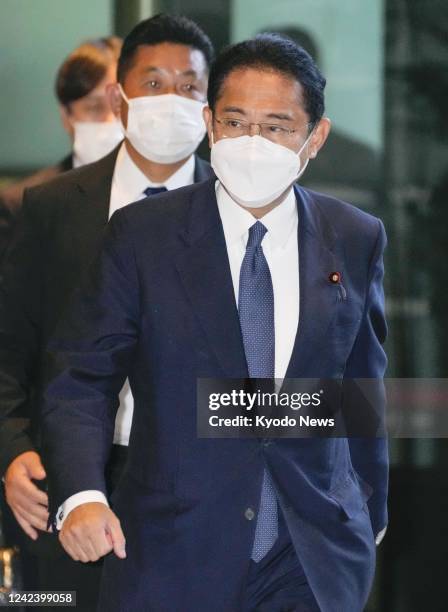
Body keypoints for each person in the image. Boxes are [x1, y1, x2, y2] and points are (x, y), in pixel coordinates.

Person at [41, 34, 388, 612]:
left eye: (277, 126)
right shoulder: (141, 235)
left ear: (315, 137)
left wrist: (368, 514)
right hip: (173, 550)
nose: (253, 143)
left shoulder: (354, 236)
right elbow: (80, 374)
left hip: (309, 557)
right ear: (210, 123)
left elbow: (359, 388)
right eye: (235, 121)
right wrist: (81, 494)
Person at [0, 14, 214, 610]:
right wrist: (12, 450)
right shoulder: (49, 207)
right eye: (153, 83)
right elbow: (9, 349)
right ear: (121, 100)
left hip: (193, 490)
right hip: (63, 482)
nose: (171, 100)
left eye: (190, 86)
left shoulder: (234, 208)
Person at [0, 37, 122, 256]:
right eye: (94, 108)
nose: (110, 121)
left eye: (119, 106)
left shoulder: (167, 192)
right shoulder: (22, 203)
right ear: (66, 116)